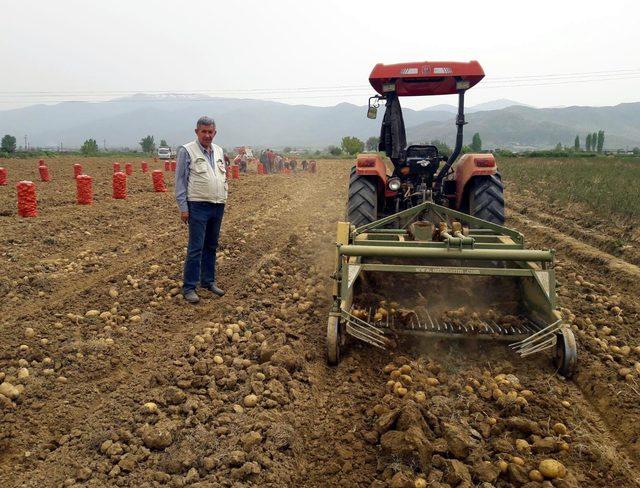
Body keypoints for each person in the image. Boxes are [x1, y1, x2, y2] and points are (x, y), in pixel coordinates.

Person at [174, 116, 227, 304]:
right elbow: (180, 181)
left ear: (215, 132)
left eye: (210, 132)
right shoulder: (187, 150)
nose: (207, 135)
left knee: (211, 246)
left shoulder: (219, 151)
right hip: (197, 205)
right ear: (196, 132)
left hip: (217, 204)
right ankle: (189, 287)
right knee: (196, 247)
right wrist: (183, 207)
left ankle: (208, 281)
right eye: (203, 131)